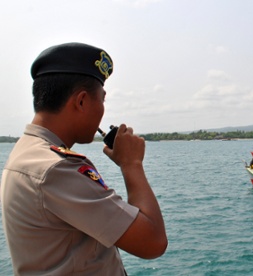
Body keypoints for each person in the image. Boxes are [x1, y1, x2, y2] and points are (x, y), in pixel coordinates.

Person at [0, 43, 168, 275]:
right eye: (102, 100)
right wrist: (132, 164)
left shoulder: (28, 152)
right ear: (81, 101)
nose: (102, 109)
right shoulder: (56, 168)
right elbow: (153, 242)